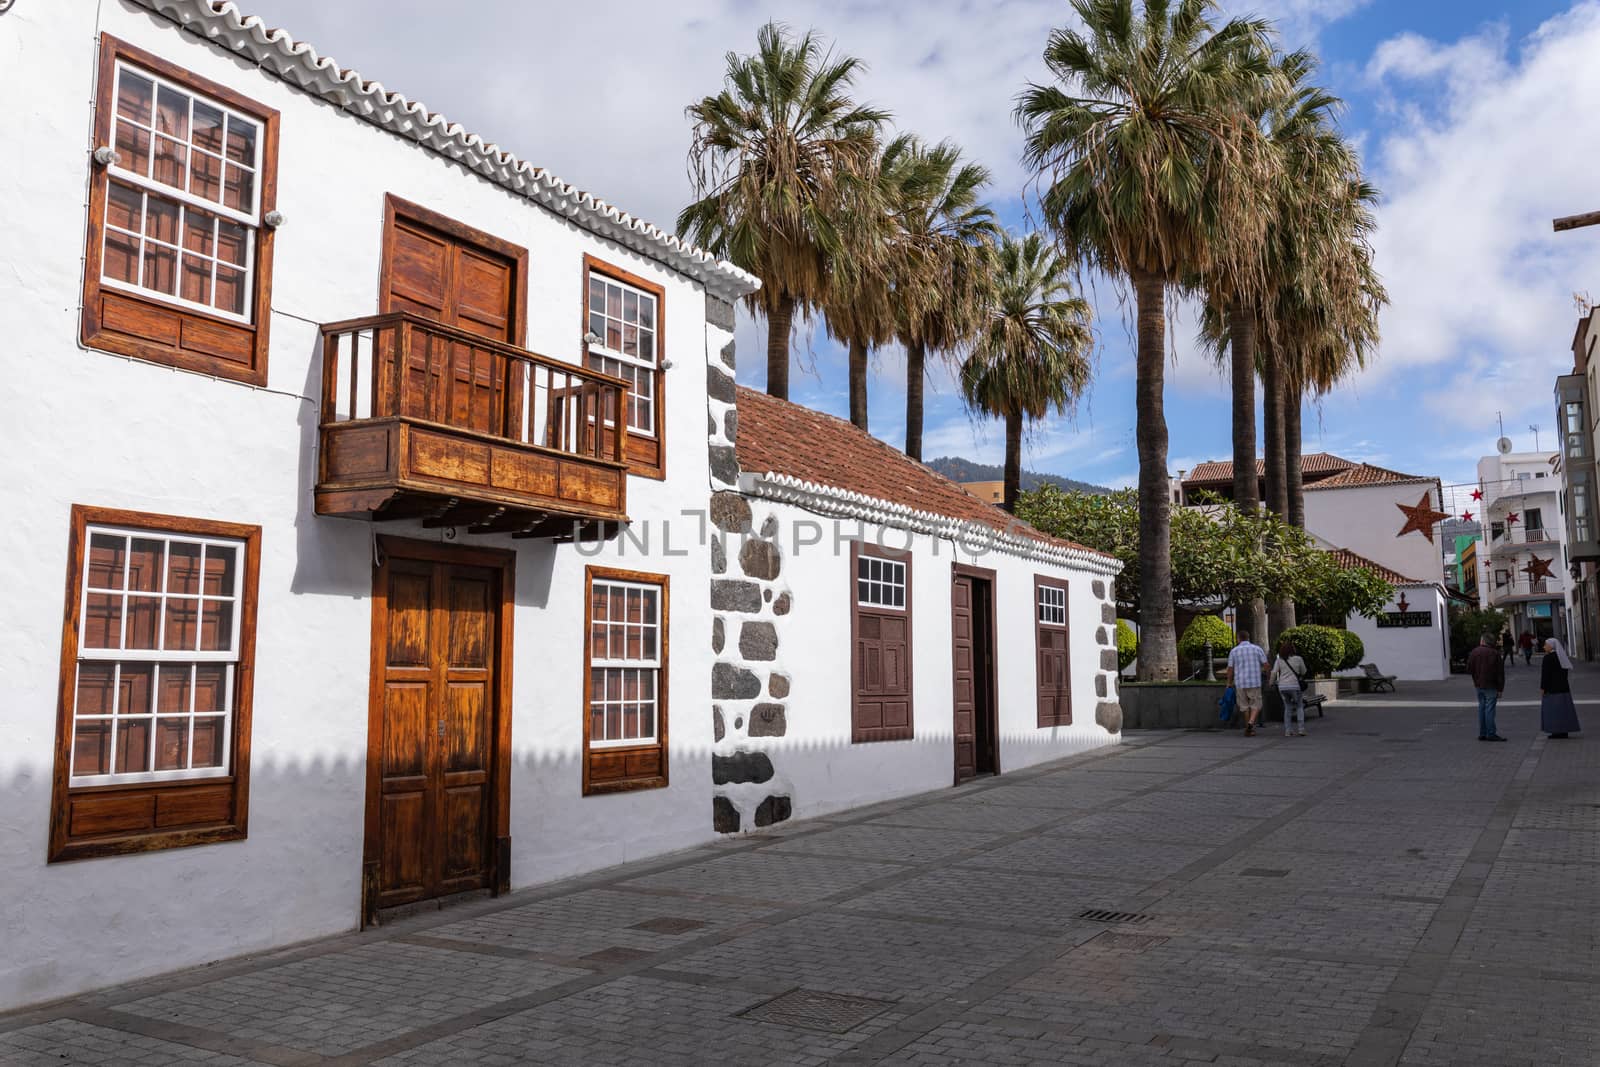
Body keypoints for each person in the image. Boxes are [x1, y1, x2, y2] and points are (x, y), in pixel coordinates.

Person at [1227, 629, 1270, 738]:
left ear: (1238, 639)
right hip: (1254, 681)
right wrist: (1269, 677)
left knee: (1244, 706)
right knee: (1255, 704)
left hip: (1240, 682)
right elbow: (1266, 665)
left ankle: (1248, 729)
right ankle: (1251, 723)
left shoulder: (1234, 651)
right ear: (1248, 638)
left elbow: (1230, 669)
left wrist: (1229, 683)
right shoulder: (1257, 649)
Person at [1466, 632, 1507, 741]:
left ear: (1483, 641)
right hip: (1491, 685)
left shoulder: (1474, 652)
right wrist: (1500, 688)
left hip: (1479, 685)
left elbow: (1469, 669)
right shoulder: (1495, 653)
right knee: (1489, 709)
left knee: (1482, 708)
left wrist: (1476, 677)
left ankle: (1482, 733)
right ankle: (1491, 733)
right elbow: (1500, 673)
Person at [1539, 637, 1582, 739]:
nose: (1544, 646)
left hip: (1552, 690)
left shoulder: (1548, 658)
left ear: (1551, 646)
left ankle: (1556, 732)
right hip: (1563, 689)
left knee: (1553, 712)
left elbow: (1545, 675)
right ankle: (1564, 731)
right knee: (1564, 711)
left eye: (1546, 644)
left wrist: (1542, 688)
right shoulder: (1562, 656)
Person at [1269, 637, 1309, 737]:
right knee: (1299, 706)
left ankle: (1288, 730)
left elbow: (1274, 672)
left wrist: (1270, 683)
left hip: (1282, 687)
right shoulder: (1298, 659)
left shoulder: (1279, 660)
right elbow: (1304, 671)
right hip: (1295, 686)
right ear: (1293, 650)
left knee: (1287, 707)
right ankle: (1301, 729)